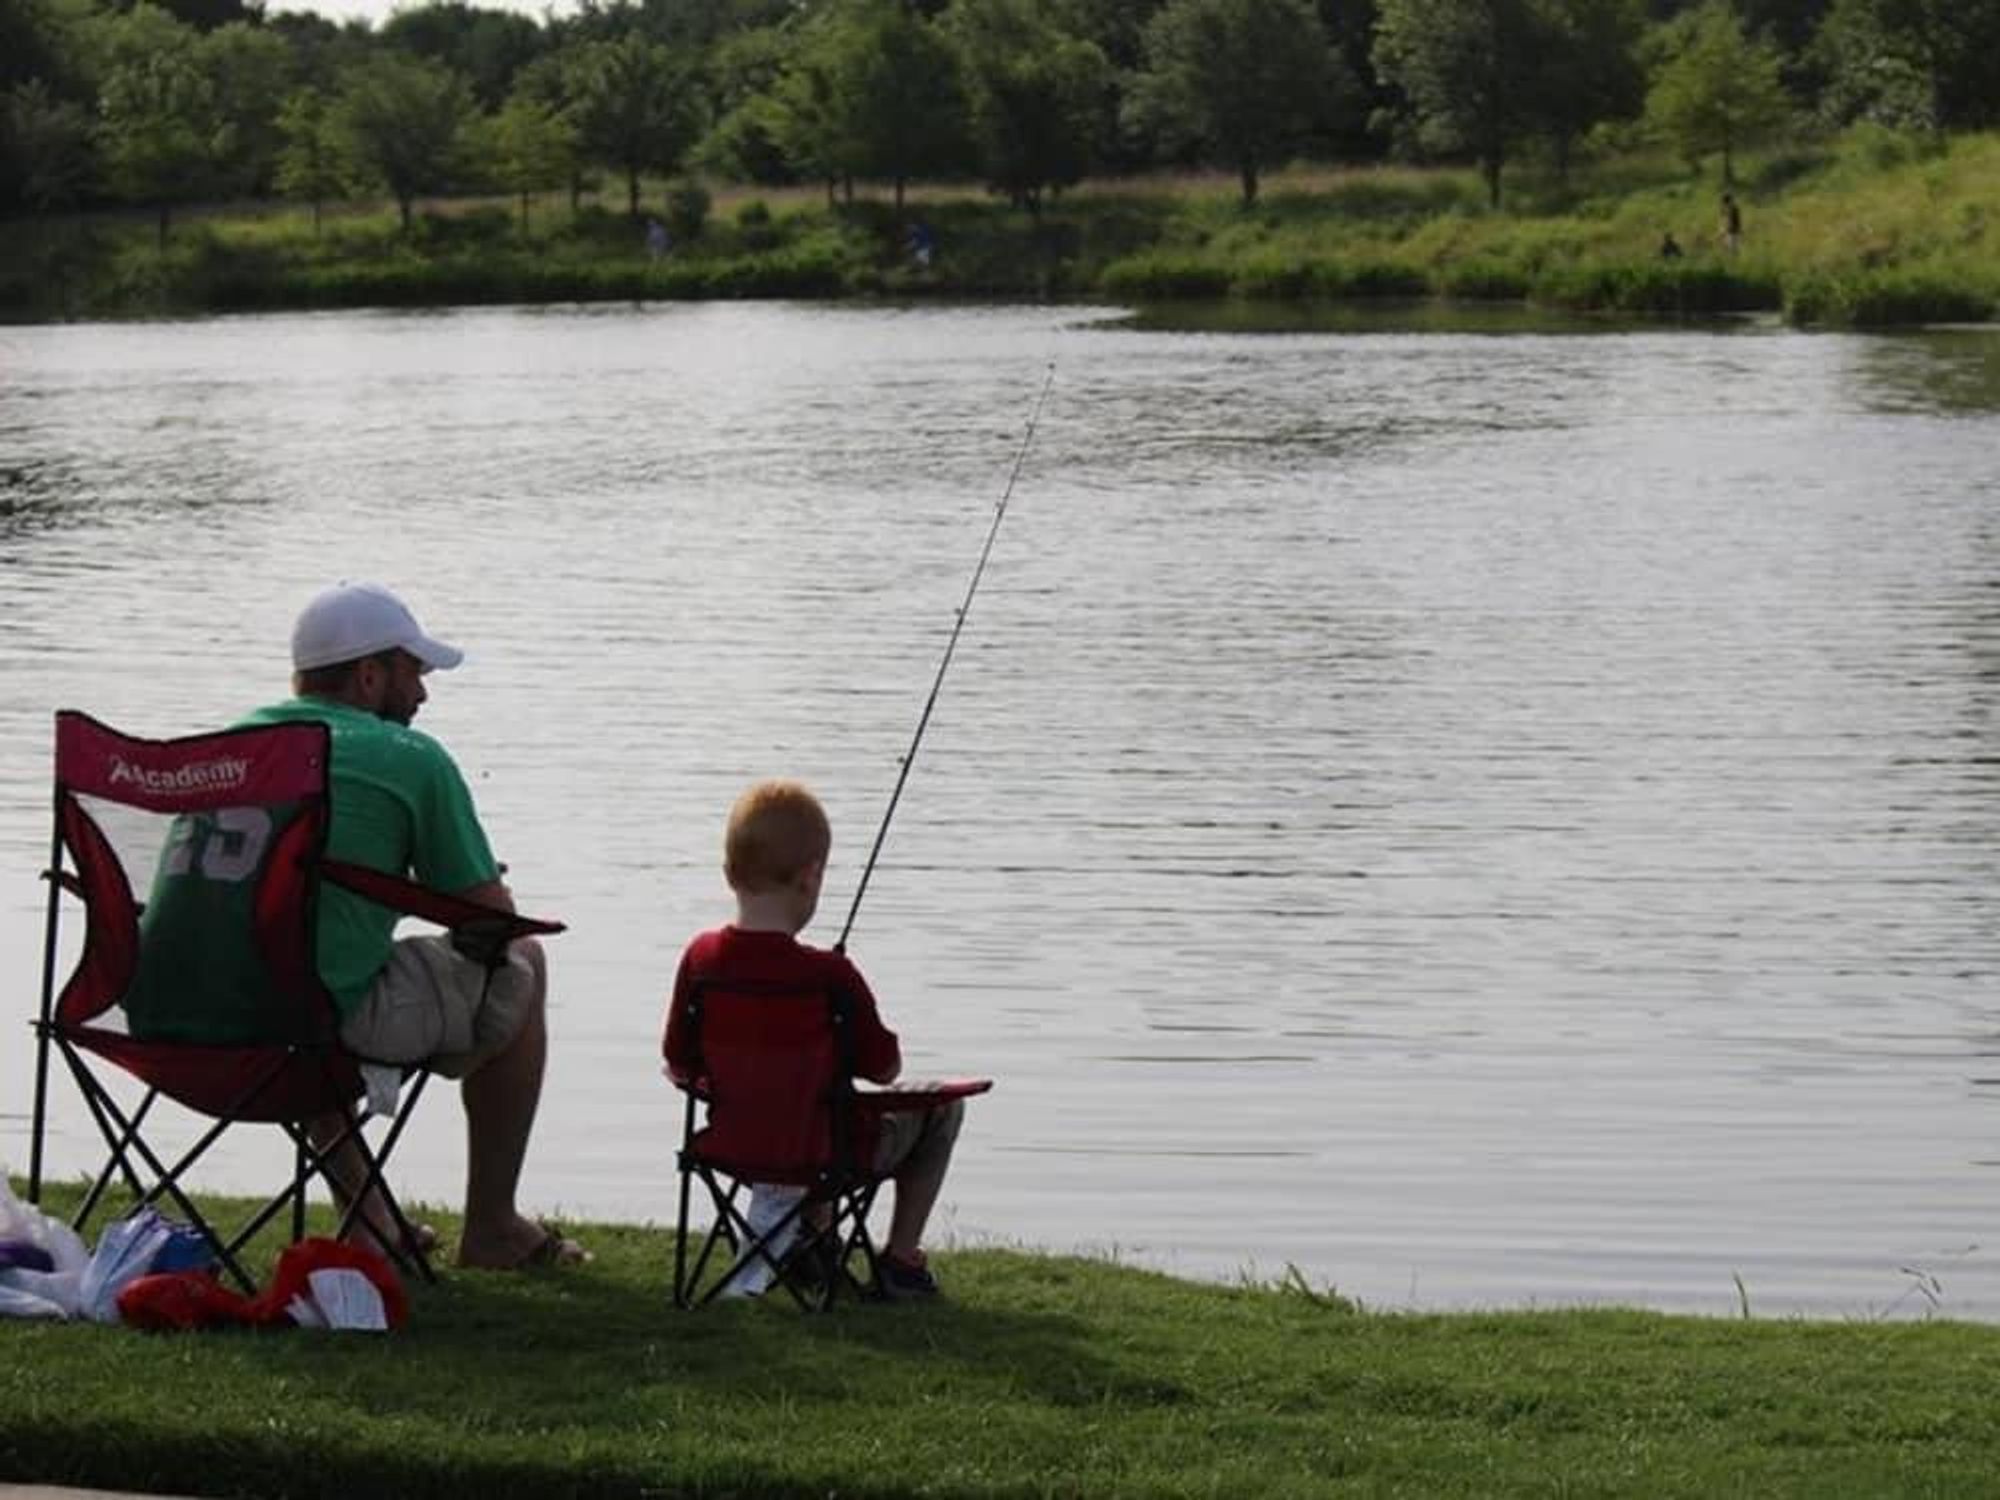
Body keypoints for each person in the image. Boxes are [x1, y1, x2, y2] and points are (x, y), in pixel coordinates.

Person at [129, 582, 584, 1271]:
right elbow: (489, 921)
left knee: (313, 961)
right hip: (296, 1036)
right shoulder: (411, 759)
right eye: (415, 673)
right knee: (522, 957)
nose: (424, 696)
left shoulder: (231, 744)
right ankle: (492, 1226)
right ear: (370, 675)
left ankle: (368, 1224)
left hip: (168, 1025)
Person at [662, 779, 964, 1298]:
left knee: (808, 1107)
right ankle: (900, 1260)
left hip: (732, 1145)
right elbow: (885, 1069)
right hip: (822, 1155)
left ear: (729, 873)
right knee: (942, 1110)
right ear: (811, 878)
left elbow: (678, 1056)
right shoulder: (830, 976)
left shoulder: (700, 958)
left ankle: (813, 1243)